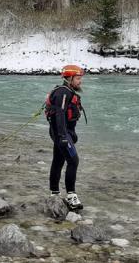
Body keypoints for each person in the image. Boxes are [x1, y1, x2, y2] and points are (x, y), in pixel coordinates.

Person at [45, 64, 86, 210]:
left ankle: (54, 193)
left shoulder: (67, 91)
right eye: (78, 78)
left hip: (63, 131)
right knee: (73, 161)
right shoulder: (63, 92)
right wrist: (63, 136)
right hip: (60, 132)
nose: (80, 81)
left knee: (58, 160)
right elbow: (60, 114)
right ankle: (71, 196)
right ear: (69, 78)